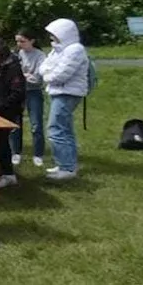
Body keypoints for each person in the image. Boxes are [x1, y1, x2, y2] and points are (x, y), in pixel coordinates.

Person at [41, 18, 90, 181]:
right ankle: (67, 164)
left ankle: (66, 168)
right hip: (59, 91)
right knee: (65, 129)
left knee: (55, 129)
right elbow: (43, 67)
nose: (51, 37)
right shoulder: (58, 49)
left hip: (68, 93)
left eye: (54, 34)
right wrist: (49, 74)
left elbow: (61, 74)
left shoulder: (75, 50)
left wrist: (48, 76)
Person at [0, 38, 25, 189]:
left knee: (1, 143)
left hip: (6, 113)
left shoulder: (13, 69)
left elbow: (17, 93)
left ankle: (9, 174)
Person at [12, 28, 47, 167]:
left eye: (22, 41)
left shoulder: (40, 55)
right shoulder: (15, 54)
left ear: (32, 41)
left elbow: (38, 78)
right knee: (15, 123)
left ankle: (38, 154)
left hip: (34, 92)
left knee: (36, 124)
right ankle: (15, 152)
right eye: (17, 41)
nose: (19, 44)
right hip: (18, 91)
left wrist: (23, 76)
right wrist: (23, 76)